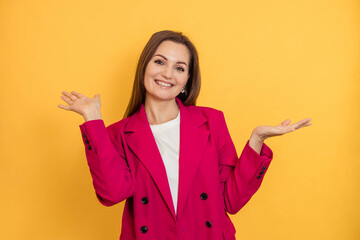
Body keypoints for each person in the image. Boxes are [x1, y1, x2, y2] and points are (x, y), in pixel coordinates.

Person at [58, 30, 311, 240]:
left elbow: (231, 201)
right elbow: (112, 194)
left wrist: (256, 140)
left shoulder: (211, 121)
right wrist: (93, 120)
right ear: (144, 67)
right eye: (159, 62)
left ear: (187, 80)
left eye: (179, 68)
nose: (167, 74)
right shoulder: (119, 134)